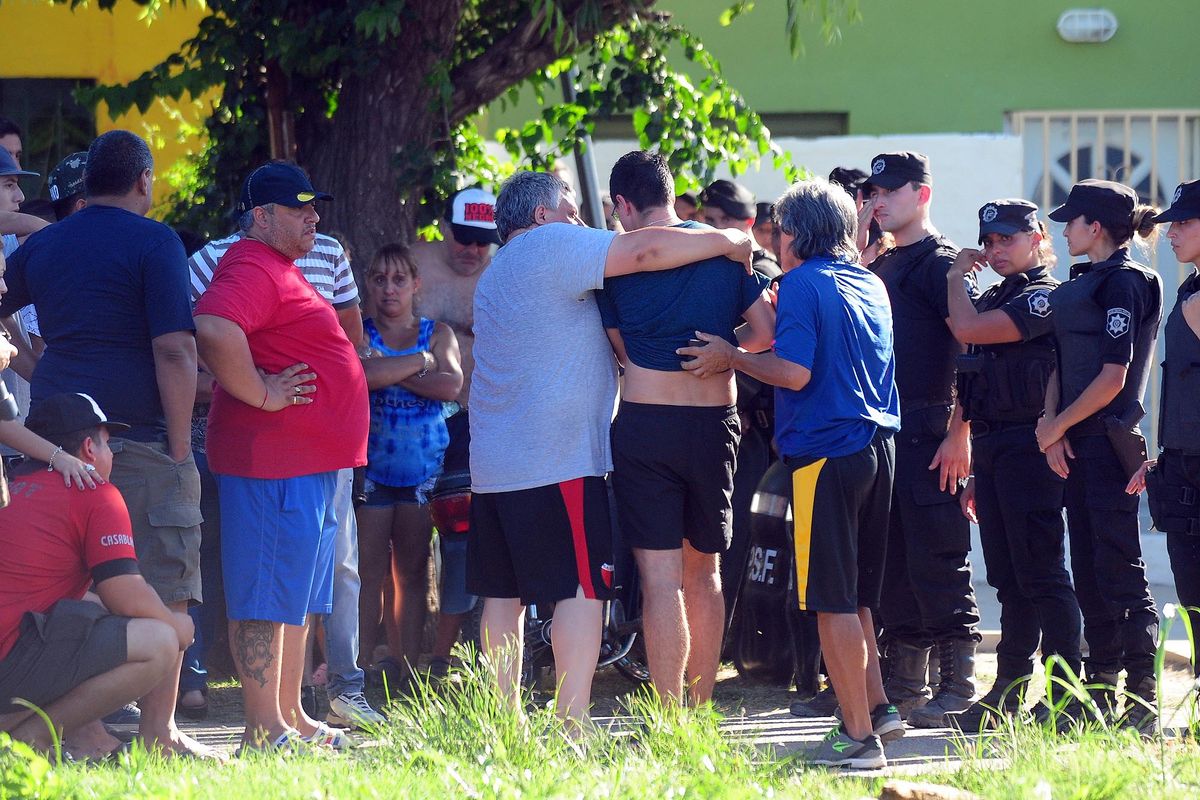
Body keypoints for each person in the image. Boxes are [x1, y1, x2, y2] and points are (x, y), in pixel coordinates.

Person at [467, 170, 754, 726]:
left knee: (503, 596)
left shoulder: (496, 271)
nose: (580, 220)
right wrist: (727, 240)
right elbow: (644, 250)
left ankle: (504, 722)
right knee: (581, 590)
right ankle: (571, 723)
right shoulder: (552, 244)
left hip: (495, 462)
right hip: (558, 458)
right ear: (541, 216)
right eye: (570, 208)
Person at [0, 130, 212, 759]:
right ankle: (158, 733)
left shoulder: (47, 243)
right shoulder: (155, 240)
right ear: (144, 180)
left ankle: (83, 731)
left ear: (88, 183)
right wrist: (180, 447)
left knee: (64, 579)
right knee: (165, 574)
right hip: (135, 435)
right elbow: (174, 349)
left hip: (49, 440)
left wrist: (29, 360)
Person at [682, 178, 901, 769]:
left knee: (831, 601)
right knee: (857, 598)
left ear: (796, 234)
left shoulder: (803, 283)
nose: (774, 242)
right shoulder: (870, 282)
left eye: (779, 232)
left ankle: (858, 739)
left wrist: (731, 356)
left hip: (826, 454)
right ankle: (878, 708)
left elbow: (795, 373)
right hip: (879, 449)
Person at [188, 169, 380, 730]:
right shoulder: (250, 263)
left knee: (295, 595)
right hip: (273, 465)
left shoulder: (278, 265)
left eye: (314, 207)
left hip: (306, 464)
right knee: (264, 596)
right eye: (299, 209)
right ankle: (262, 727)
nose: (313, 217)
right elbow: (213, 326)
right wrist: (261, 393)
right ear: (261, 216)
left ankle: (290, 716)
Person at [598, 151, 774, 705]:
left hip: (647, 422)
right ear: (672, 195)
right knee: (705, 571)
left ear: (623, 204)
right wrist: (725, 349)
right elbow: (766, 332)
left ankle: (669, 713)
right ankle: (698, 709)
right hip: (714, 424)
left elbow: (621, 350)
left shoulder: (616, 260)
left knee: (660, 579)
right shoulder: (727, 251)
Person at [941, 200, 1082, 731]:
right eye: (989, 242)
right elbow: (975, 375)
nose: (996, 249)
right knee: (1008, 578)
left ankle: (1068, 695)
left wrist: (955, 277)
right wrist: (976, 463)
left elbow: (969, 328)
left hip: (1031, 446)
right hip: (995, 447)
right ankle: (1008, 691)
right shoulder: (998, 296)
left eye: (1008, 239)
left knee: (1041, 572)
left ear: (1037, 237)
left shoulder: (1045, 296)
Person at [1035, 179, 1163, 732]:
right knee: (1086, 570)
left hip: (1107, 444)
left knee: (1119, 570)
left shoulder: (1127, 282)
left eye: (1072, 221)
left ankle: (1143, 695)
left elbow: (1113, 377)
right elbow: (1061, 360)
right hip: (1072, 441)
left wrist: (1059, 425)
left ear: (1096, 227)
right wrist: (1050, 426)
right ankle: (1099, 690)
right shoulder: (1082, 281)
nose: (1064, 231)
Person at [0, 393, 192, 760]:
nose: (112, 455)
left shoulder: (10, 486)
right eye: (108, 443)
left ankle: (73, 740)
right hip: (8, 669)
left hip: (12, 656)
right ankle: (25, 745)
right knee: (159, 642)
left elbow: (48, 596)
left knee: (91, 614)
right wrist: (176, 624)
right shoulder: (95, 491)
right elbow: (124, 591)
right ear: (89, 448)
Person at [864, 152, 981, 722]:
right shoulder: (884, 263)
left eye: (890, 191)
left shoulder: (942, 264)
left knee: (939, 560)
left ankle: (958, 685)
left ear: (922, 194)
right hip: (888, 431)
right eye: (873, 192)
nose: (878, 201)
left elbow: (973, 352)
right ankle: (906, 684)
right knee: (892, 565)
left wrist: (961, 432)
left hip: (934, 430)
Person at [356, 244, 462, 687]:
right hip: (372, 468)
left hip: (422, 471)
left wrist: (392, 370)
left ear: (416, 284)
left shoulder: (438, 332)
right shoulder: (358, 332)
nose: (389, 289)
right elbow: (362, 377)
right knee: (367, 573)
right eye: (380, 279)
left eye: (399, 279)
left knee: (412, 572)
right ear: (368, 283)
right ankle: (358, 667)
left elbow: (451, 384)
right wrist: (419, 364)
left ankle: (407, 669)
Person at [1129, 179, 1200, 681]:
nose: (1171, 233)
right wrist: (1170, 456)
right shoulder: (1190, 289)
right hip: (1184, 466)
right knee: (1193, 602)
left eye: (1185, 223)